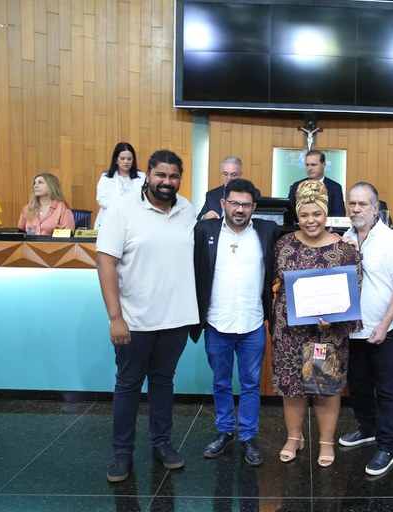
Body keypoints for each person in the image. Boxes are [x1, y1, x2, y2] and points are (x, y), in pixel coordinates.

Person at [96, 150, 198, 483]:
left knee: (163, 383)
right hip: (134, 321)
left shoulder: (187, 210)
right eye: (161, 175)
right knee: (128, 385)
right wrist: (115, 317)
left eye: (173, 176)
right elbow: (105, 262)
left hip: (176, 320)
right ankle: (121, 453)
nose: (167, 182)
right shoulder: (123, 209)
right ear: (148, 175)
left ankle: (162, 444)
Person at [271, 180, 362, 467]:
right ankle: (294, 437)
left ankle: (326, 442)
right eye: (304, 215)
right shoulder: (284, 245)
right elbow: (274, 281)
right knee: (292, 387)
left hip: (327, 333)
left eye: (317, 214)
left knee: (325, 387)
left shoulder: (344, 248)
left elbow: (354, 289)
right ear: (297, 216)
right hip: (289, 332)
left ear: (326, 214)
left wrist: (332, 317)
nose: (311, 220)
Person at [191, 178, 278, 467]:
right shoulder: (205, 230)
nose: (240, 209)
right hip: (217, 322)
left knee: (251, 383)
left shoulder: (267, 231)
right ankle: (225, 430)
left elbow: (300, 240)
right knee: (221, 382)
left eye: (246, 205)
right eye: (234, 203)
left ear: (254, 207)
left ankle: (248, 436)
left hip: (253, 323)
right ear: (223, 203)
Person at [338, 182, 393, 476]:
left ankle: (386, 446)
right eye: (352, 204)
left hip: (383, 329)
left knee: (386, 390)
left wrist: (384, 324)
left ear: (376, 208)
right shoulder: (346, 238)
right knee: (357, 385)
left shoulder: (392, 241)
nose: (356, 209)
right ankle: (367, 428)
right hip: (351, 329)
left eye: (363, 204)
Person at [94, 142, 146, 229]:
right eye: (122, 158)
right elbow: (102, 200)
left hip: (134, 219)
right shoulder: (106, 177)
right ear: (116, 160)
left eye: (129, 159)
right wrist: (122, 207)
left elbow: (145, 198)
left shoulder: (142, 177)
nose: (126, 162)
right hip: (111, 219)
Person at [287, 150, 345, 222]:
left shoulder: (335, 188)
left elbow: (339, 216)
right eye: (307, 165)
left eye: (313, 165)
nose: (309, 168)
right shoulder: (296, 186)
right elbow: (289, 213)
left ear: (323, 165)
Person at [196, 157, 261, 221]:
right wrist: (205, 216)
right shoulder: (212, 195)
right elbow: (199, 218)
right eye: (225, 174)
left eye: (234, 175)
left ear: (240, 174)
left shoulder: (253, 193)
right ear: (221, 173)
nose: (229, 178)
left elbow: (258, 218)